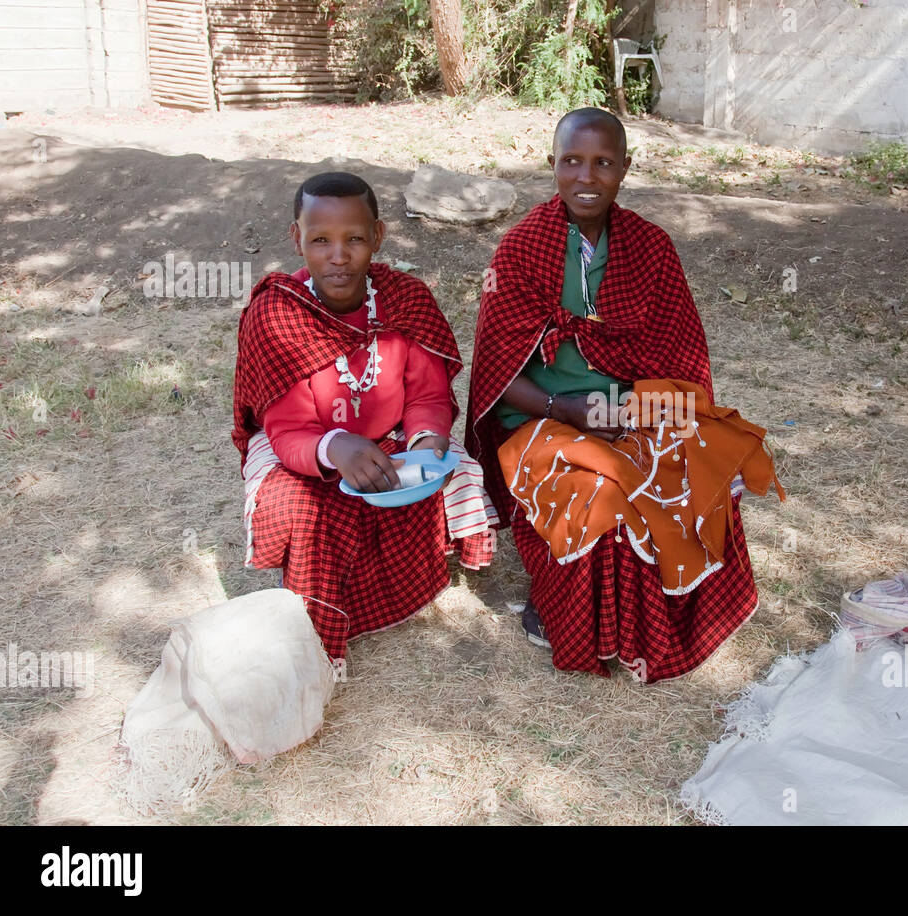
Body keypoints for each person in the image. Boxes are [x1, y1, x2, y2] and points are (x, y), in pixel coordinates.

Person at [465, 109, 781, 683]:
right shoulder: (519, 250)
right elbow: (495, 374)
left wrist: (635, 409)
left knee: (696, 459)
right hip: (541, 417)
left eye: (604, 163)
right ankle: (570, 610)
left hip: (632, 408)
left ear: (625, 169)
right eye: (572, 162)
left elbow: (680, 353)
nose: (587, 177)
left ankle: (682, 615)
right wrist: (569, 409)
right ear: (553, 165)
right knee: (600, 493)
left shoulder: (650, 248)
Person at [232, 171, 495, 661]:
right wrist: (335, 447)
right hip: (306, 445)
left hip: (393, 435)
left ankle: (412, 586)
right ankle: (317, 610)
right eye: (320, 240)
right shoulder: (276, 313)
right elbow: (287, 430)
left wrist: (424, 441)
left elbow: (427, 396)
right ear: (296, 239)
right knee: (300, 505)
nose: (338, 255)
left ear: (377, 236)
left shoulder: (405, 300)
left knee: (442, 470)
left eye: (354, 238)